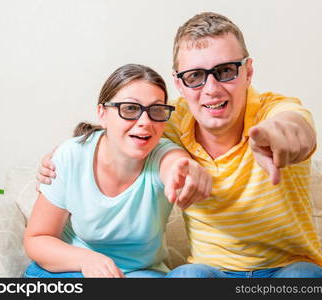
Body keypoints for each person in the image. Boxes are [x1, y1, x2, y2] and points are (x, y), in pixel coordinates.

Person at [37, 12, 322, 278]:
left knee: (305, 275)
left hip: (290, 267)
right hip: (211, 272)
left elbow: (296, 125)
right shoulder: (163, 123)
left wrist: (282, 136)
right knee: (186, 276)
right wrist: (64, 157)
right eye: (195, 76)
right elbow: (120, 131)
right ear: (179, 83)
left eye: (225, 71)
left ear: (247, 71)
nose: (211, 89)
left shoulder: (276, 110)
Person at [24, 63, 212, 278]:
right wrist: (87, 260)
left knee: (194, 275)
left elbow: (175, 165)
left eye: (156, 111)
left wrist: (186, 172)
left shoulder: (164, 154)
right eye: (130, 109)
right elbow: (37, 238)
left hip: (138, 274)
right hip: (72, 270)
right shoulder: (72, 155)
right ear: (102, 113)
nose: (145, 122)